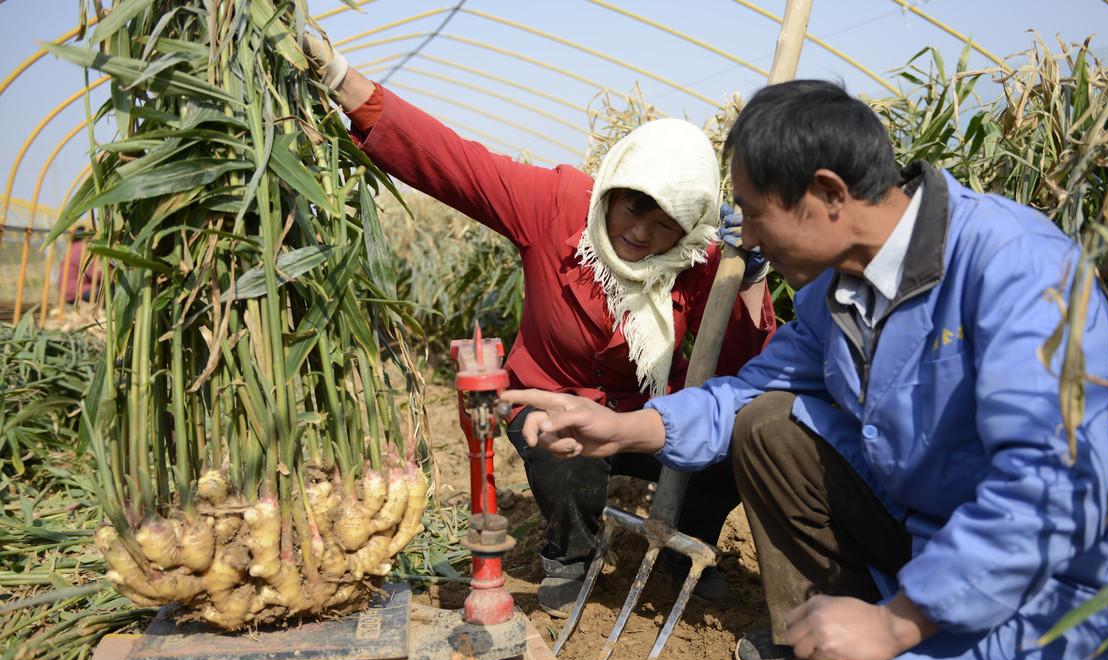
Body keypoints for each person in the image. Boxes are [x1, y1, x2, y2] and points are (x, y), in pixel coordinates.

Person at [502, 80, 1108, 660]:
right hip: (932, 537)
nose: (747, 239)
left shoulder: (1018, 268)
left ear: (826, 193)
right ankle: (829, 633)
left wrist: (897, 622)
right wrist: (621, 429)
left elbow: (1047, 488)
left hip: (1048, 591)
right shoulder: (835, 290)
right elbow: (748, 396)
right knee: (769, 424)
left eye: (756, 215)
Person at [302, 37, 776, 616]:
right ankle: (572, 553)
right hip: (551, 394)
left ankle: (685, 546)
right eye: (633, 208)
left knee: (733, 443)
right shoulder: (556, 204)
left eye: (665, 224)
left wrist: (750, 279)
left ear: (691, 226)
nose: (642, 234)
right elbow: (455, 164)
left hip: (649, 412)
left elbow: (740, 373)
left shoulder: (701, 262)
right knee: (564, 453)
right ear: (612, 189)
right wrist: (349, 85)